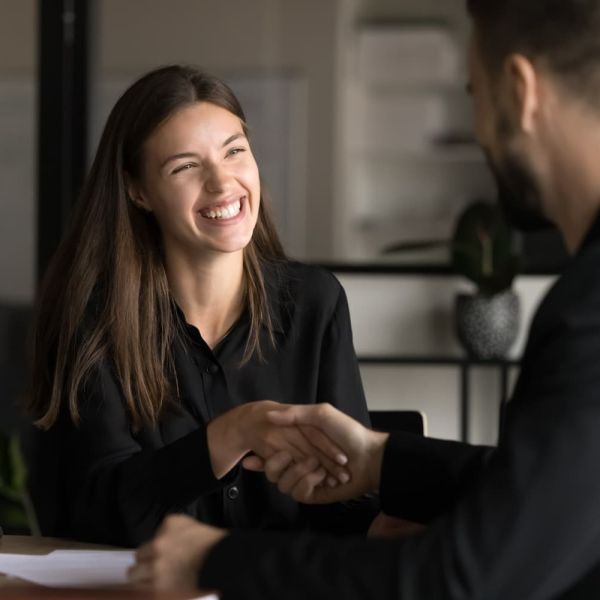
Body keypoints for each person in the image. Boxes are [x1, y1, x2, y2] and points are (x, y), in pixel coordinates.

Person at [130, 1, 600, 598]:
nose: (480, 129)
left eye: (474, 96)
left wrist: (218, 561)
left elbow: (462, 578)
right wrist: (380, 459)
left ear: (520, 90)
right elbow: (546, 490)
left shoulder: (587, 313)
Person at [24, 65, 378, 547]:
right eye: (185, 166)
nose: (222, 183)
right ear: (138, 191)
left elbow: (349, 502)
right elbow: (94, 514)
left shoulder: (315, 303)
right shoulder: (94, 318)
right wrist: (230, 434)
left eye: (235, 151)